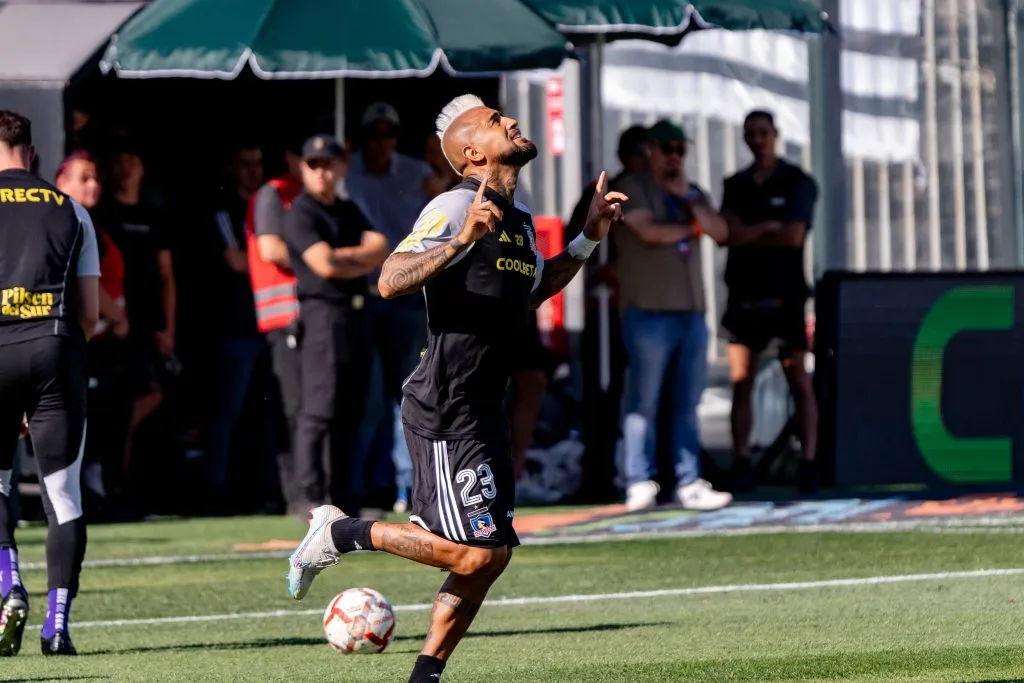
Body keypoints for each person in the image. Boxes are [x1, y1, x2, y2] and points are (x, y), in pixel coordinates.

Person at [284, 94, 627, 683]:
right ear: (472, 153)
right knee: (476, 552)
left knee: (489, 558)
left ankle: (426, 676)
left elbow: (535, 289)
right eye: (496, 122)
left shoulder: (516, 220)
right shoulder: (454, 204)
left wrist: (588, 237)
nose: (511, 122)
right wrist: (460, 239)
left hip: (481, 405)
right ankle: (339, 532)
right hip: (445, 406)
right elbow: (390, 279)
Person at [0, 110, 100, 656]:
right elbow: (90, 312)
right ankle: (57, 626)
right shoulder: (72, 210)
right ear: (32, 154)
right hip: (56, 351)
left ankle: (7, 585)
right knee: (63, 497)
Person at [613, 120, 732, 512]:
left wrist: (692, 204)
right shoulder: (630, 186)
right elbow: (649, 233)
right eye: (667, 148)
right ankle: (639, 479)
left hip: (691, 313)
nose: (675, 157)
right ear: (649, 150)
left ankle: (688, 480)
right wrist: (692, 226)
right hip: (648, 311)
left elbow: (721, 231)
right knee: (643, 402)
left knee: (687, 402)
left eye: (681, 149)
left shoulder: (692, 192)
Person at [283, 135, 389, 513]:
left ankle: (343, 497)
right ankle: (308, 496)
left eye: (328, 164)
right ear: (303, 168)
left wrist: (345, 259)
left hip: (355, 314)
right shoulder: (301, 212)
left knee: (351, 410)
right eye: (314, 165)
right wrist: (356, 260)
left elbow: (382, 247)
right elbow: (323, 264)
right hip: (322, 315)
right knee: (318, 409)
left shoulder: (346, 208)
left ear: (341, 166)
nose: (322, 172)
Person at [719, 110, 820, 493]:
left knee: (798, 376)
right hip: (744, 295)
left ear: (775, 134)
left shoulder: (798, 182)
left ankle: (809, 461)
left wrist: (749, 232)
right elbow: (726, 232)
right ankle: (742, 460)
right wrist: (764, 229)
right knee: (741, 380)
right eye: (750, 134)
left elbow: (793, 237)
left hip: (785, 295)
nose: (757, 140)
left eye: (763, 133)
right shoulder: (736, 184)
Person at [55, 151, 129, 507]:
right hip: (83, 337)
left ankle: (99, 486)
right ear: (60, 183)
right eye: (83, 178)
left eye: (96, 177)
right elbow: (89, 285)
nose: (93, 185)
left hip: (96, 338)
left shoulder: (92, 224)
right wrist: (115, 317)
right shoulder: (69, 222)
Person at [247, 140, 304, 517]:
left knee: (309, 410)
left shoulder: (309, 196)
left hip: (306, 315)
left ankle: (308, 492)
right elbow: (270, 250)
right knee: (292, 410)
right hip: (282, 318)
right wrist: (325, 259)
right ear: (290, 157)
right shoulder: (274, 194)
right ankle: (295, 495)